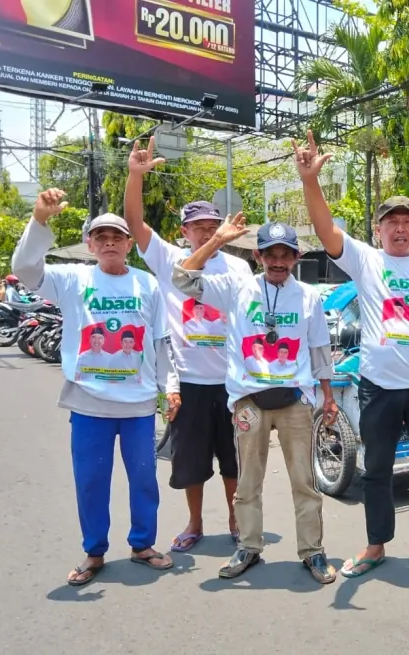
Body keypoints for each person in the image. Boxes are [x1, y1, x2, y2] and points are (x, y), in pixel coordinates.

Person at [294, 131, 409, 581]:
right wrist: (310, 181)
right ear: (378, 229)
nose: (399, 228)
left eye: (407, 221)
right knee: (377, 471)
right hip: (378, 386)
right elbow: (326, 230)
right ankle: (375, 545)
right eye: (391, 221)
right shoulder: (367, 261)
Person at [11, 188, 179, 586]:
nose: (109, 243)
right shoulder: (72, 279)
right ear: (90, 244)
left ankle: (142, 545)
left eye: (117, 237)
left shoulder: (147, 285)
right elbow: (25, 269)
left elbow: (160, 341)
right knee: (91, 481)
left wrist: (171, 386)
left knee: (143, 478)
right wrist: (38, 221)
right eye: (100, 237)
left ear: (128, 246)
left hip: (138, 403)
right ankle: (94, 551)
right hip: (88, 403)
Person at [172, 215, 341, 583]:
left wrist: (327, 397)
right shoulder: (236, 288)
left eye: (285, 254)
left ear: (296, 257)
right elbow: (182, 277)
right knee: (248, 481)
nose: (278, 262)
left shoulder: (308, 295)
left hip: (295, 400)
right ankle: (248, 546)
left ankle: (312, 551)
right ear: (258, 258)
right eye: (270, 255)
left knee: (304, 481)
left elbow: (319, 349)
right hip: (250, 401)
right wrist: (216, 240)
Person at [124, 138, 253, 553]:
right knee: (190, 463)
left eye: (212, 225)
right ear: (184, 231)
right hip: (188, 382)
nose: (207, 231)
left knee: (234, 459)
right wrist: (135, 177)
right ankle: (195, 522)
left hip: (232, 382)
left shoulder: (238, 266)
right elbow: (135, 222)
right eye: (198, 226)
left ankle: (236, 519)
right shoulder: (168, 259)